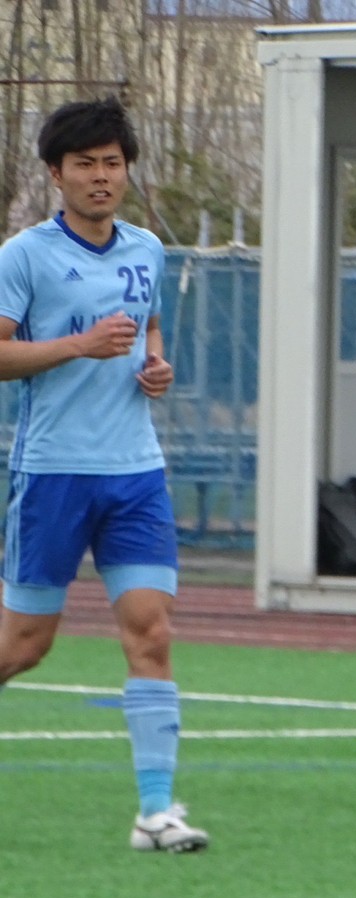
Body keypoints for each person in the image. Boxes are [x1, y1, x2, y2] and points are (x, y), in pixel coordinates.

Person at [0, 96, 208, 853]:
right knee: (23, 646)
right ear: (56, 174)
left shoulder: (146, 248)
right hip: (53, 473)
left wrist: (156, 366)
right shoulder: (23, 256)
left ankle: (155, 814)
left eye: (111, 163)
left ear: (126, 170)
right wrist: (77, 346)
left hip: (135, 474)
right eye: (84, 164)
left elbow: (148, 328)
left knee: (151, 633)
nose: (100, 176)